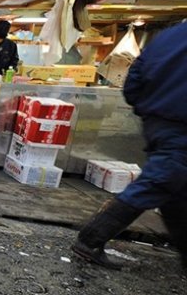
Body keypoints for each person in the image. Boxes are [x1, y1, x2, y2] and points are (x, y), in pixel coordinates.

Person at [71, 21, 187, 272]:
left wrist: (146, 109)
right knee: (162, 179)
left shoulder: (168, 36)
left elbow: (133, 80)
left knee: (175, 191)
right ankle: (90, 238)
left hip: (157, 122)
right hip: (181, 127)